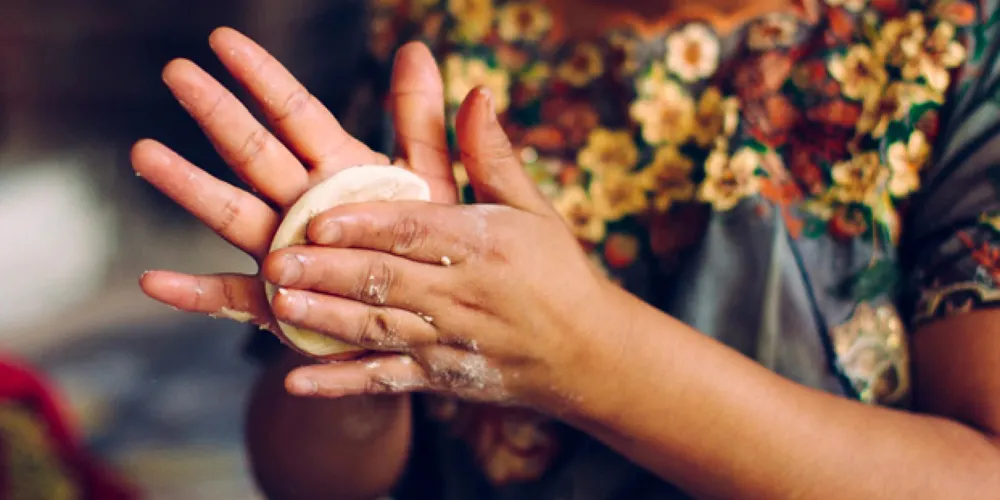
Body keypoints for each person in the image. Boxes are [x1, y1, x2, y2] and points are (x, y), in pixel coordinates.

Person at [134, 0, 1000, 497]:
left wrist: (591, 353)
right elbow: (307, 481)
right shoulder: (443, 29)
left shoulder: (957, 47)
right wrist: (355, 330)